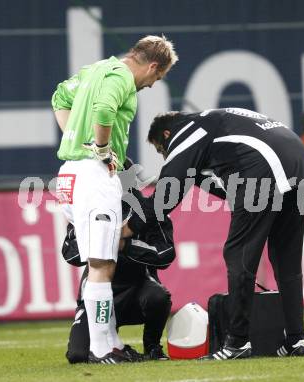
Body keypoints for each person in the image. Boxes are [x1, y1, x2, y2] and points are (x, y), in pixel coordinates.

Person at [145, 108, 304, 360]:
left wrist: (136, 219)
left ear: (167, 133)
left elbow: (167, 192)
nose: (165, 155)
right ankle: (295, 339)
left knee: (238, 255)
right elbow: (224, 185)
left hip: (265, 169)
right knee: (285, 259)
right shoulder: (218, 121)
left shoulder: (187, 130)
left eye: (162, 149)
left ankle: (237, 342)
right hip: (299, 165)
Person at [51, 35, 178, 364]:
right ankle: (102, 347)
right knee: (102, 265)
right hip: (94, 176)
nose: (152, 85)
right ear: (152, 66)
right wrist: (102, 148)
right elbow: (106, 108)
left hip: (69, 174)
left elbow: (59, 97)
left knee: (100, 263)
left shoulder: (94, 70)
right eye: (157, 78)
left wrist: (74, 140)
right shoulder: (122, 77)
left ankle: (107, 345)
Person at [62, 191, 175, 363]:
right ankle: (123, 351)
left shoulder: (148, 210)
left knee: (158, 298)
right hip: (97, 299)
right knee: (78, 355)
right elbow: (70, 253)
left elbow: (165, 254)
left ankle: (152, 347)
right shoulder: (88, 210)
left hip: (137, 289)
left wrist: (123, 244)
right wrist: (99, 240)